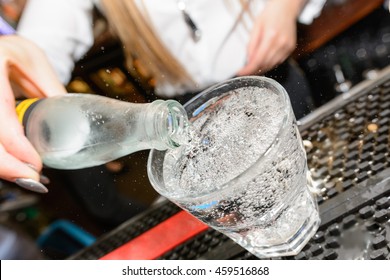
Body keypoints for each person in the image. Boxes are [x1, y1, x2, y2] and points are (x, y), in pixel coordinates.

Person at [0, 0, 325, 226]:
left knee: (312, 192)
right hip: (192, 115)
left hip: (271, 85)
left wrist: (286, 5)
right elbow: (41, 44)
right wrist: (14, 56)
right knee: (246, 218)